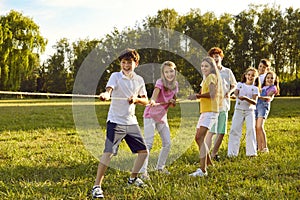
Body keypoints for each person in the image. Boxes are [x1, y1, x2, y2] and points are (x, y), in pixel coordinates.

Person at [91, 48, 149, 199]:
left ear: (136, 63)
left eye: (129, 62)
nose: (126, 65)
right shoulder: (115, 76)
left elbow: (146, 100)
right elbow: (109, 90)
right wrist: (106, 94)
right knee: (108, 153)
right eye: (123, 62)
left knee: (143, 152)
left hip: (131, 121)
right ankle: (97, 186)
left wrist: (136, 99)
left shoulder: (139, 80)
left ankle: (133, 179)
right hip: (115, 121)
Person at [140, 61, 178, 179]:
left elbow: (172, 104)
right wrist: (152, 101)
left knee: (167, 143)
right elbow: (155, 94)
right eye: (166, 72)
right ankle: (143, 171)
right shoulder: (160, 82)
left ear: (175, 71)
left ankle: (160, 167)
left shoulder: (175, 85)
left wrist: (173, 102)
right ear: (163, 73)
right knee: (149, 144)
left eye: (171, 71)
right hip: (150, 115)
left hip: (162, 117)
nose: (169, 74)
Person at [188, 56, 223, 177]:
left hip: (210, 111)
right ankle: (209, 164)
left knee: (199, 138)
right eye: (202, 66)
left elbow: (212, 94)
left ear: (212, 67)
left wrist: (197, 96)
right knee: (199, 138)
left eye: (206, 66)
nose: (203, 68)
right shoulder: (207, 78)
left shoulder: (211, 77)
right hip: (206, 111)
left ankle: (202, 170)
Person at [204, 47, 237, 161]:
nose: (215, 59)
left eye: (217, 56)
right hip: (213, 106)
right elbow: (204, 87)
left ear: (221, 57)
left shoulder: (227, 71)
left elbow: (234, 85)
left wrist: (229, 92)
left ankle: (214, 153)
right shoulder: (208, 72)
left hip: (224, 105)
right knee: (211, 131)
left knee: (221, 132)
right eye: (212, 57)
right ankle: (206, 155)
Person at [227, 67, 259, 157]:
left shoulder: (255, 88)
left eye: (253, 75)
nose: (250, 77)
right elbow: (236, 93)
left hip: (250, 111)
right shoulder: (240, 85)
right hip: (239, 110)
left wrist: (245, 98)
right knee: (235, 130)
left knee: (250, 130)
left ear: (255, 77)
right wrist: (233, 95)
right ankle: (232, 153)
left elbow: (254, 102)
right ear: (245, 75)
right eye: (248, 75)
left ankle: (251, 153)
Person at [255, 71, 280, 153]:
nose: (269, 79)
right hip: (256, 106)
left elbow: (268, 97)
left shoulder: (273, 88)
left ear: (275, 80)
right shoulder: (261, 86)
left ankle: (265, 147)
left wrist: (259, 96)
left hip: (263, 107)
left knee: (259, 126)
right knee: (256, 128)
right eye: (268, 78)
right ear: (265, 79)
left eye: (272, 78)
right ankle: (259, 147)